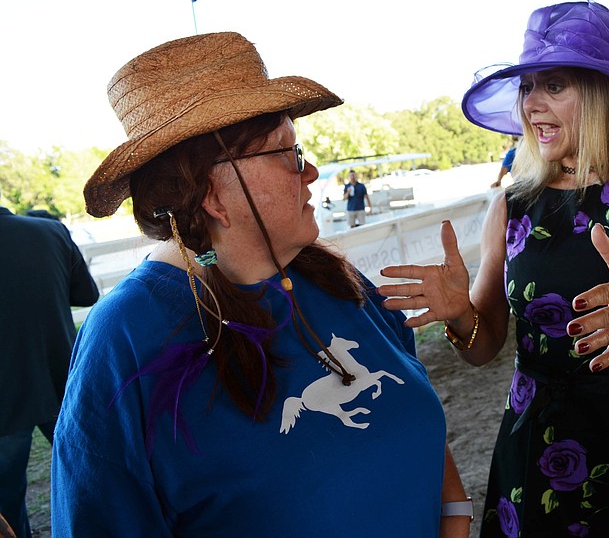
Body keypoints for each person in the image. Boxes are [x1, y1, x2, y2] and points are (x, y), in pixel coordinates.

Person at [50, 32, 471, 537]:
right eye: (288, 153)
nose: (311, 171)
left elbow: (412, 408)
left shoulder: (331, 278)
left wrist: (455, 517)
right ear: (210, 192)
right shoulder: (126, 335)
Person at [378, 1, 609, 537]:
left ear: (604, 93)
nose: (532, 106)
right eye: (528, 87)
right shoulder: (514, 203)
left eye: (554, 86)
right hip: (541, 449)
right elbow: (484, 347)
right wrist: (459, 315)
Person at [0, 191, 99, 538]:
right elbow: (87, 295)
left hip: (4, 400)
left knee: (7, 503)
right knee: (92, 479)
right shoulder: (50, 231)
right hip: (64, 381)